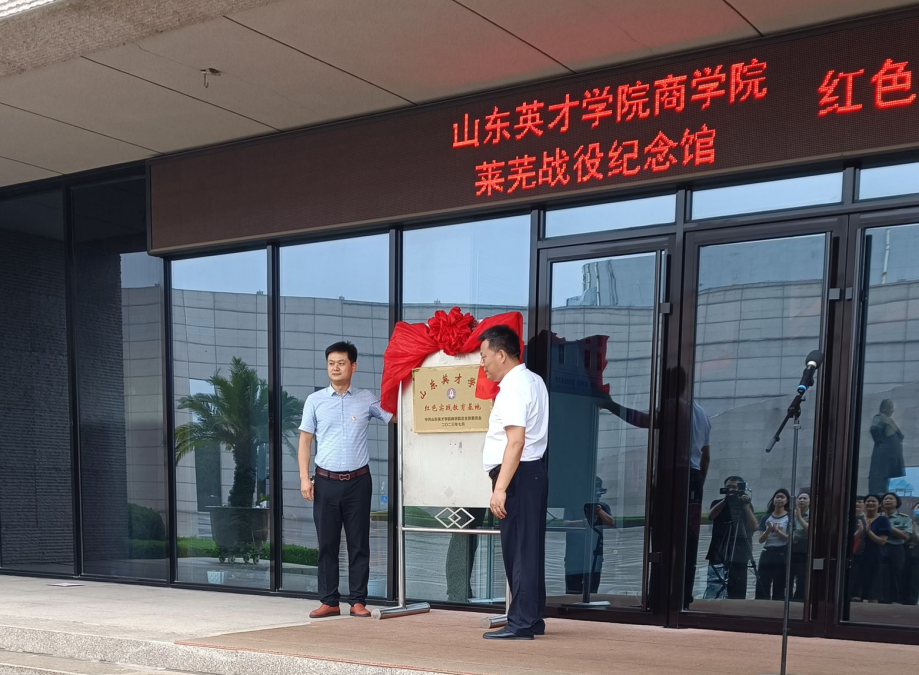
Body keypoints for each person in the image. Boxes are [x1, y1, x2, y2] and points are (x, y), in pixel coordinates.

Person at [298, 341, 395, 619]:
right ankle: (329, 601)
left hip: (358, 482)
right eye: (331, 363)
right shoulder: (315, 400)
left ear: (353, 366)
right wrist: (305, 478)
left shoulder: (366, 399)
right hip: (325, 482)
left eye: (341, 363)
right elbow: (305, 441)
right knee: (327, 544)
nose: (336, 368)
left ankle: (357, 601)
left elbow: (393, 417)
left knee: (358, 542)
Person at [602, 390, 710, 607]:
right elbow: (705, 457)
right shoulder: (702, 414)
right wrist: (698, 483)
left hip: (672, 474)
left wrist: (611, 406)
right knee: (688, 539)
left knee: (661, 536)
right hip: (693, 476)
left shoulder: (673, 405)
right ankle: (682, 597)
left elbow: (645, 421)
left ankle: (658, 597)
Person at [478, 325, 549, 640]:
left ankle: (520, 623)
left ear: (501, 354)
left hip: (518, 475)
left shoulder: (513, 387)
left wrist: (500, 489)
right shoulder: (535, 381)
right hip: (531, 473)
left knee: (519, 551)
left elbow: (516, 442)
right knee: (529, 549)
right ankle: (531, 618)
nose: (482, 363)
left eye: (484, 356)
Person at [706, 476, 758, 599]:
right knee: (715, 587)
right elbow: (711, 516)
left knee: (738, 589)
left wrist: (746, 507)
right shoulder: (717, 503)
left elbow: (754, 526)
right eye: (728, 486)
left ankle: (736, 606)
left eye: (735, 487)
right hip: (719, 549)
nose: (731, 489)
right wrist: (725, 501)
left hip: (740, 551)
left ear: (741, 489)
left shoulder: (746, 505)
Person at [563, 476, 615, 596]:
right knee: (572, 590)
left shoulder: (603, 506)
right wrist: (584, 522)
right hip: (574, 556)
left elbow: (611, 523)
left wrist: (599, 511)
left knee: (592, 590)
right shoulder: (573, 505)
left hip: (595, 555)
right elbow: (566, 523)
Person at [851, 494, 890, 603]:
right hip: (857, 557)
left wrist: (869, 532)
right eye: (868, 501)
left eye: (873, 501)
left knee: (873, 594)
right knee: (856, 593)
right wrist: (859, 532)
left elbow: (882, 542)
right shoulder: (857, 519)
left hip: (874, 558)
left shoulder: (883, 520)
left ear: (879, 504)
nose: (870, 503)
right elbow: (848, 541)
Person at [755, 488, 791, 601]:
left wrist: (777, 530)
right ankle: (761, 606)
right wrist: (768, 530)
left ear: (787, 501)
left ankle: (777, 606)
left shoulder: (789, 517)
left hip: (782, 552)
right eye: (777, 497)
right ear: (773, 499)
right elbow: (760, 540)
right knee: (762, 583)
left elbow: (790, 538)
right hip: (767, 552)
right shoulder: (766, 517)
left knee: (779, 584)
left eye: (782, 497)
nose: (779, 499)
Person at [868, 399, 905, 495]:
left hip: (888, 457)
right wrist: (882, 444)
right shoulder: (880, 417)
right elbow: (874, 428)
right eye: (891, 407)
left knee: (885, 478)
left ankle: (882, 494)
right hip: (883, 455)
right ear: (884, 408)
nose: (892, 410)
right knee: (879, 477)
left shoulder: (887, 419)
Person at [881, 492, 910, 604]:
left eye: (891, 499)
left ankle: (894, 599)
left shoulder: (904, 518)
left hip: (896, 548)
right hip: (880, 547)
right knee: (880, 573)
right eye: (885, 499)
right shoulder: (877, 516)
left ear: (897, 502)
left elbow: (906, 536)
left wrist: (888, 525)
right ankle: (879, 597)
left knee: (895, 574)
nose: (888, 501)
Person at [790, 491, 811, 601]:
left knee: (802, 576)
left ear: (810, 502)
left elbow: (809, 530)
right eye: (800, 498)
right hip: (791, 549)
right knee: (789, 575)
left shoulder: (812, 515)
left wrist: (799, 517)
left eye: (804, 498)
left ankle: (799, 599)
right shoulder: (790, 514)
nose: (802, 500)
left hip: (804, 549)